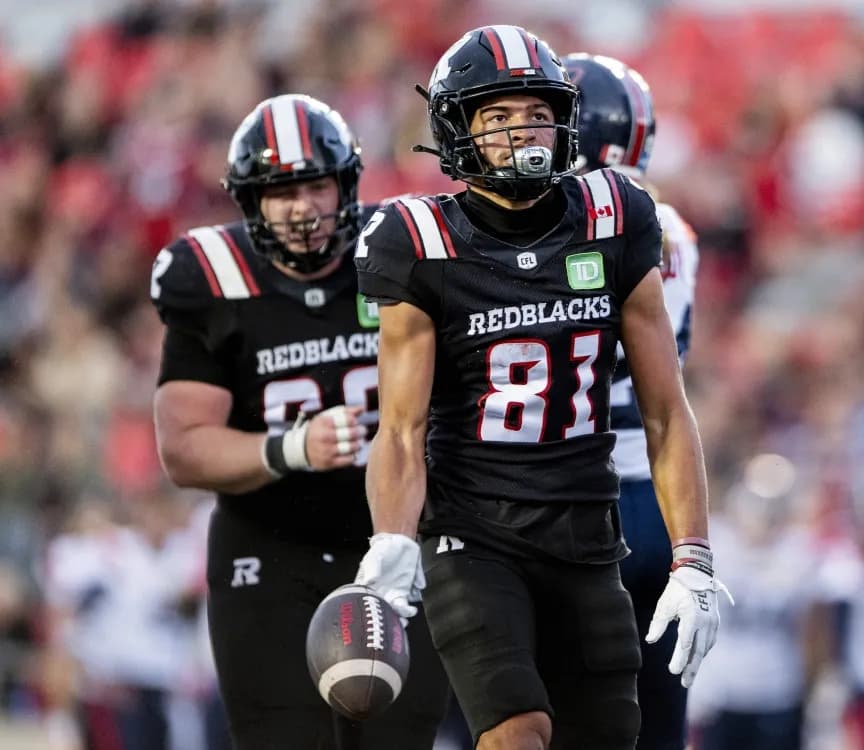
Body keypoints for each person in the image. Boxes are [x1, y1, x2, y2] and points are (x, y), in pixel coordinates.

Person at [353, 26, 725, 750]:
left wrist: (695, 558)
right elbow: (399, 427)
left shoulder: (617, 216)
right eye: (496, 117)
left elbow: (667, 414)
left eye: (534, 113)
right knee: (516, 731)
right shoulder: (417, 239)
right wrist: (393, 540)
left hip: (589, 530)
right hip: (475, 529)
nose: (520, 132)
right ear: (457, 129)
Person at [150, 94, 449, 750]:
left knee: (398, 740)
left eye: (315, 184)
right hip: (269, 548)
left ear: (345, 184)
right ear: (249, 201)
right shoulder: (210, 278)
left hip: (395, 545)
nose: (303, 207)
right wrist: (290, 448)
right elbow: (184, 450)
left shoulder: (400, 250)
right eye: (280, 190)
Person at [563, 51, 701, 750]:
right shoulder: (678, 232)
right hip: (661, 495)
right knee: (656, 722)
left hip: (580, 497)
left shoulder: (570, 225)